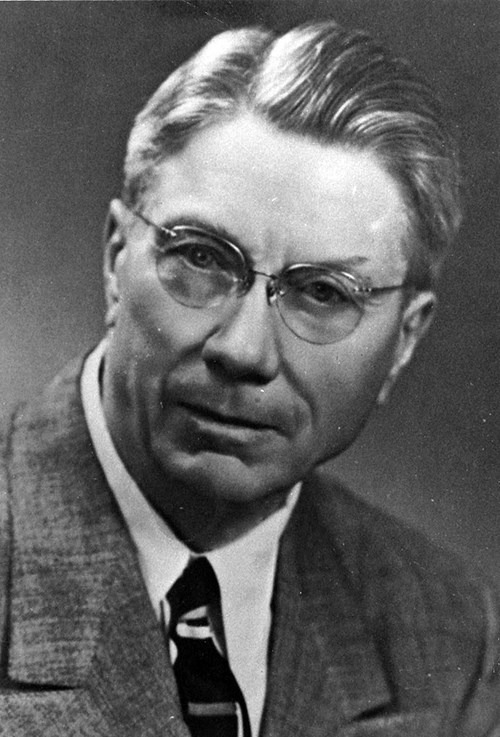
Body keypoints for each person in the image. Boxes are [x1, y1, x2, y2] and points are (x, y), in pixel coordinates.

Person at [0, 19, 498, 737]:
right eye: (202, 258)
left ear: (404, 340)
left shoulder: (446, 634)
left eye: (324, 293)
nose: (244, 349)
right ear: (116, 260)